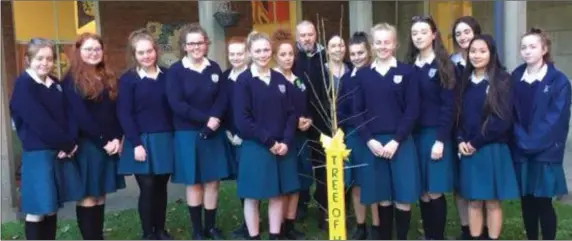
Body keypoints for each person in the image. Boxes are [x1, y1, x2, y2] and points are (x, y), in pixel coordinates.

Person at [10, 38, 84, 240]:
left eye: (49, 59)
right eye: (39, 58)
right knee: (37, 209)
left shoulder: (55, 84)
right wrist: (67, 144)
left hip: (59, 150)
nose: (45, 63)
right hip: (38, 154)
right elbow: (40, 122)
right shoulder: (24, 85)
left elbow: (70, 114)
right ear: (28, 59)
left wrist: (71, 140)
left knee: (52, 207)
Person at [353, 22, 421, 240]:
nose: (382, 46)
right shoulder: (362, 76)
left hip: (400, 142)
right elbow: (356, 111)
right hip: (373, 144)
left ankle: (401, 237)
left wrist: (397, 140)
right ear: (372, 45)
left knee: (402, 195)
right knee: (382, 195)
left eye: (387, 42)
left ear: (395, 44)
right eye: (378, 42)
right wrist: (369, 141)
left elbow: (413, 110)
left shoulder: (407, 72)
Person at [166, 23, 230, 239]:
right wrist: (207, 119)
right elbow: (177, 104)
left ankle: (210, 227)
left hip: (213, 132)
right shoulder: (175, 71)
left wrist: (215, 120)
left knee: (212, 181)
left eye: (200, 43)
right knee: (194, 182)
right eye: (191, 43)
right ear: (184, 46)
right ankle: (197, 230)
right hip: (187, 133)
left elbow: (222, 98)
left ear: (206, 44)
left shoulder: (213, 68)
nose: (196, 47)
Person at [233, 30, 299, 240]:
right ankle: (253, 237)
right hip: (257, 147)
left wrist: (286, 141)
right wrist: (269, 142)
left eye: (266, 50)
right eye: (258, 50)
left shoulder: (280, 79)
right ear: (250, 53)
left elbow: (291, 113)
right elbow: (243, 120)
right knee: (252, 197)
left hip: (282, 147)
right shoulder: (243, 81)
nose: (263, 54)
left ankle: (275, 235)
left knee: (277, 194)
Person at [62, 32, 125, 240]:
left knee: (100, 195)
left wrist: (117, 138)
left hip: (108, 144)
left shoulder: (107, 76)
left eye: (97, 49)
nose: (93, 53)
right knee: (88, 197)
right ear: (78, 51)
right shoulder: (71, 80)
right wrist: (104, 141)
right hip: (88, 145)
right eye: (88, 49)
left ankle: (98, 236)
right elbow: (81, 117)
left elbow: (117, 111)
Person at [456, 34, 519, 240]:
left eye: (482, 51)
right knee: (473, 200)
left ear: (491, 54)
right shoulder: (464, 80)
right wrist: (459, 140)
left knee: (492, 201)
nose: (476, 55)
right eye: (473, 51)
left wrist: (475, 142)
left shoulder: (502, 80)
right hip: (468, 150)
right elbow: (457, 115)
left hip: (491, 149)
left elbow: (502, 120)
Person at [511, 28, 570, 240]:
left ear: (544, 49)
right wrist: (521, 140)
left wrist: (532, 142)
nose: (527, 51)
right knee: (527, 201)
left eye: (533, 46)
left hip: (545, 152)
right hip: (521, 149)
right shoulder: (516, 77)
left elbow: (556, 119)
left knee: (543, 202)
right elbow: (511, 114)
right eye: (523, 47)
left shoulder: (559, 81)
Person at [116, 29, 174, 240]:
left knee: (161, 187)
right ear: (134, 55)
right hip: (140, 140)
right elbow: (124, 113)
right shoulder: (128, 79)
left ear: (155, 51)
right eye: (141, 53)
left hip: (165, 138)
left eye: (149, 51)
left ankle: (160, 229)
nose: (146, 56)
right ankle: (147, 233)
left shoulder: (167, 75)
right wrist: (136, 143)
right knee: (147, 188)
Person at [406, 16, 456, 240]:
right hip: (413, 135)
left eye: (423, 32)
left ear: (434, 34)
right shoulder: (408, 66)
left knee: (435, 190)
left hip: (435, 135)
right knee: (423, 191)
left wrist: (440, 139)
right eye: (415, 33)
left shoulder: (443, 65)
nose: (418, 36)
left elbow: (449, 106)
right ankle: (428, 235)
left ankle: (437, 236)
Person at [337, 31, 381, 240]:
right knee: (356, 183)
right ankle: (361, 225)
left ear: (369, 51)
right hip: (353, 136)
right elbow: (341, 110)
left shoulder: (376, 74)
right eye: (353, 53)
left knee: (373, 180)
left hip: (373, 136)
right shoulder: (346, 79)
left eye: (360, 52)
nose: (356, 57)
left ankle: (377, 224)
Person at [271, 28, 310, 239]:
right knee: (285, 185)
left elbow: (306, 106)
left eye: (290, 54)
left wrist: (307, 120)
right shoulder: (273, 80)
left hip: (301, 137)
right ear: (275, 57)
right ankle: (281, 227)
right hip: (284, 139)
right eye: (283, 54)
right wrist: (294, 122)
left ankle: (291, 226)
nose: (287, 58)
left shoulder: (298, 79)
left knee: (298, 183)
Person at [449, 15, 484, 240]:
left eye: (467, 32)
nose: (463, 37)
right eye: (458, 33)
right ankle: (466, 229)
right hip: (456, 128)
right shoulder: (450, 63)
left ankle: (484, 230)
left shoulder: (485, 59)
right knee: (459, 184)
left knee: (480, 184)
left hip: (481, 132)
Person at [292, 20, 328, 226]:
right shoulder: (293, 59)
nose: (307, 38)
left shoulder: (325, 57)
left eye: (310, 34)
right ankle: (301, 204)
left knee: (322, 166)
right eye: (303, 35)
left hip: (323, 123)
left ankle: (324, 207)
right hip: (299, 124)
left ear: (316, 35)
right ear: (297, 37)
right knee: (302, 166)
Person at [222, 37, 254, 239]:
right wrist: (228, 131)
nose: (235, 57)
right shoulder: (225, 77)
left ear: (248, 54)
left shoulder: (253, 77)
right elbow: (222, 106)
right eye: (232, 53)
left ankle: (252, 222)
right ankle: (247, 221)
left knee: (251, 180)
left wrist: (242, 134)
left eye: (240, 53)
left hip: (248, 138)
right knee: (241, 182)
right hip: (229, 136)